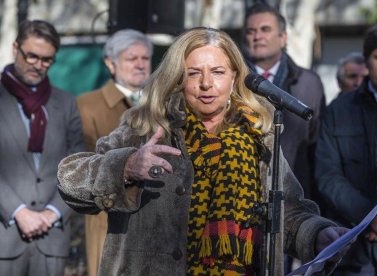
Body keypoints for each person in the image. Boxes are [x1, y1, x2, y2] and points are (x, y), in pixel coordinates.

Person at [57, 27, 349, 275]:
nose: (206, 84)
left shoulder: (259, 134)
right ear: (178, 78)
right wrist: (126, 166)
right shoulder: (147, 124)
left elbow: (287, 211)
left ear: (235, 77)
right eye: (194, 73)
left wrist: (318, 234)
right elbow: (70, 180)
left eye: (218, 72)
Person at [315, 22, 377, 275]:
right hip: (349, 248)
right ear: (367, 60)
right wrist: (369, 216)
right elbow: (327, 175)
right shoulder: (340, 110)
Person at [0, 20, 84, 275]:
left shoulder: (66, 102)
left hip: (52, 239)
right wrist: (18, 212)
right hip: (4, 236)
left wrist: (53, 212)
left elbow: (78, 165)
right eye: (32, 56)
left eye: (47, 60)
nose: (38, 65)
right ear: (16, 48)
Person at [76, 28, 153, 276]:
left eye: (145, 58)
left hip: (154, 218)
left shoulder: (162, 104)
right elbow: (83, 163)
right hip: (106, 216)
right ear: (111, 64)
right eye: (132, 59)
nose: (141, 65)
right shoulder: (87, 104)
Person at [243, 2, 325, 201]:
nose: (257, 36)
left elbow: (318, 149)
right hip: (243, 196)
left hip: (294, 197)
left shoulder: (309, 83)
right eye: (251, 31)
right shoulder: (231, 82)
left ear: (283, 37)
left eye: (265, 29)